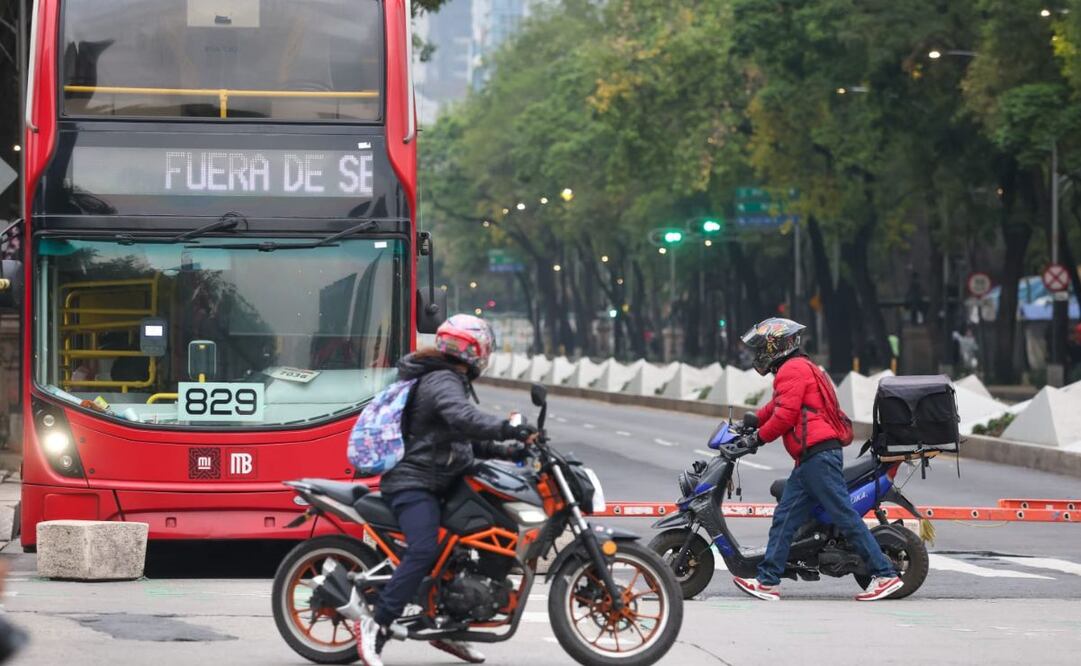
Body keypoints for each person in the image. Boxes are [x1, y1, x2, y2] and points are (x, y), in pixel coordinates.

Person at [355, 314, 538, 666]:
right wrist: (507, 428)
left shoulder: (447, 378)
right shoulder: (442, 380)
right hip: (414, 482)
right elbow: (464, 420)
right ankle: (375, 627)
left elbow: (463, 441)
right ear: (474, 349)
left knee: (490, 535)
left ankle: (451, 628)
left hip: (440, 480)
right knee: (424, 550)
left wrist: (510, 451)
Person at [731, 317, 903, 602]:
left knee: (844, 516)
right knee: (785, 518)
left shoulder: (792, 369)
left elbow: (785, 417)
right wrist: (751, 421)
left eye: (762, 347)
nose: (759, 354)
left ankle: (885, 574)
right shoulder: (800, 368)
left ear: (777, 345)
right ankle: (767, 581)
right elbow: (778, 406)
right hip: (811, 458)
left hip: (818, 456)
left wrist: (757, 438)